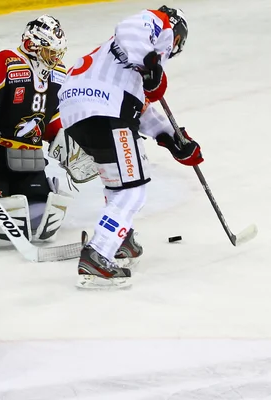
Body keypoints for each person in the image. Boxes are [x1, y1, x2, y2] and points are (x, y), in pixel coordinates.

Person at [58, 6, 202, 289]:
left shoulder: (121, 64)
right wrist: (151, 62)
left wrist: (173, 138)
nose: (172, 50)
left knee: (118, 184)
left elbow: (141, 109)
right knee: (132, 190)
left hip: (79, 113)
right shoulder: (158, 25)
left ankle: (119, 240)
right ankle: (99, 252)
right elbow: (130, 29)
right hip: (106, 111)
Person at [0, 15, 97, 246]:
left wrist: (72, 140)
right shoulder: (7, 62)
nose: (55, 57)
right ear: (32, 44)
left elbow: (53, 117)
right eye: (50, 51)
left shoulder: (58, 72)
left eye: (57, 52)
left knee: (40, 216)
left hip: (32, 161)